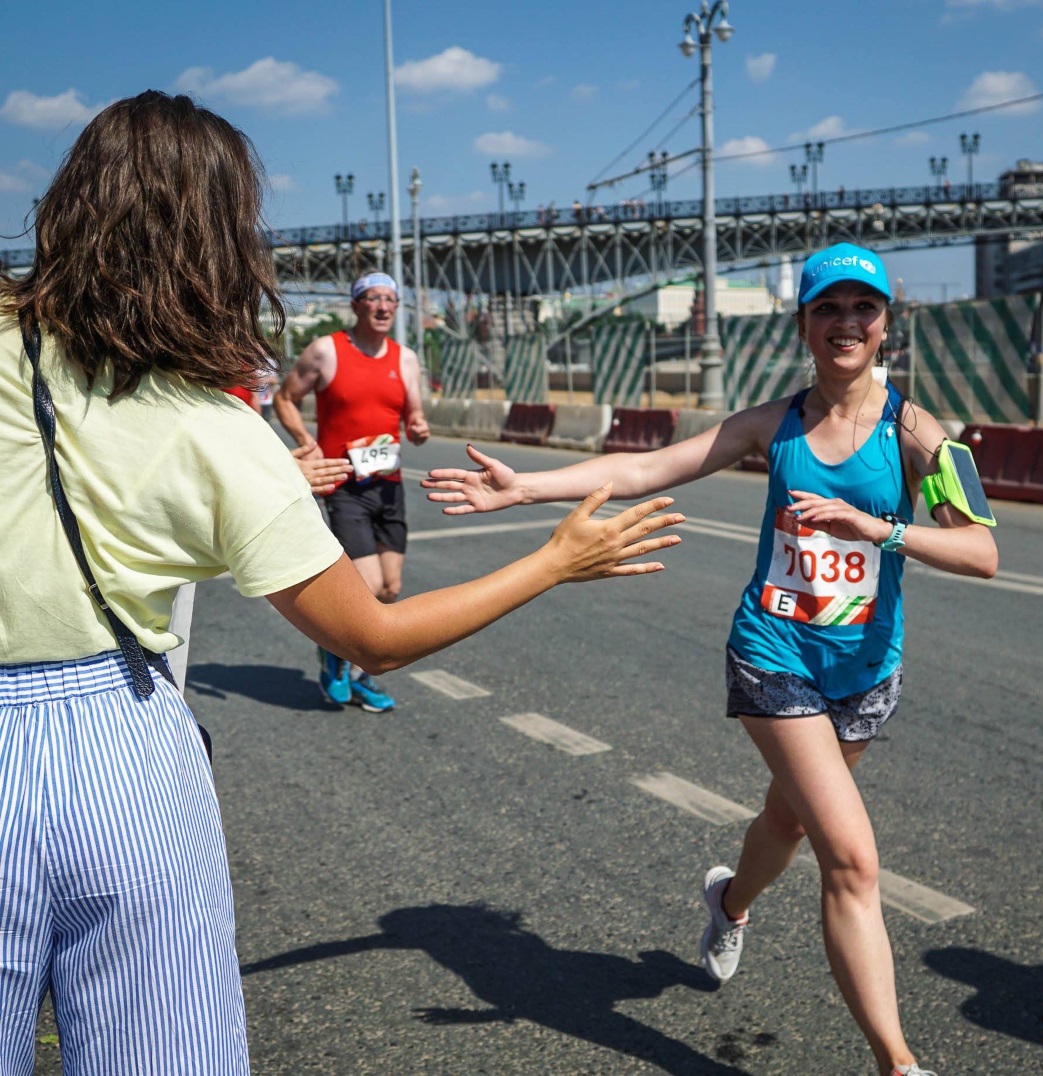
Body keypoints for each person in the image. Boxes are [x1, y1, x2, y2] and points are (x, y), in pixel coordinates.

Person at [0, 90, 683, 1076]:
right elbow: (377, 633)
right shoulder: (216, 429)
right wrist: (555, 557)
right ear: (216, 243)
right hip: (120, 757)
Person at [424, 241, 999, 1076]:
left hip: (867, 671)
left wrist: (882, 530)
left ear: (885, 326)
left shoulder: (920, 435)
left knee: (789, 821)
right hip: (774, 655)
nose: (846, 323)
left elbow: (982, 551)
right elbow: (651, 465)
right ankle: (897, 1063)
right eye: (827, 309)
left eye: (861, 309)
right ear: (803, 324)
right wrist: (528, 488)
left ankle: (728, 902)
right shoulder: (774, 424)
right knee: (852, 857)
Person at [273, 271, 429, 713]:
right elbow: (286, 397)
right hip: (343, 485)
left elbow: (414, 418)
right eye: (373, 299)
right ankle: (338, 655)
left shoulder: (407, 359)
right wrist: (309, 442)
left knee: (391, 589)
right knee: (370, 584)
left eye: (390, 300)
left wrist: (417, 428)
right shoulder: (327, 350)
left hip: (389, 488)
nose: (383, 307)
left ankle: (355, 673)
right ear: (357, 305)